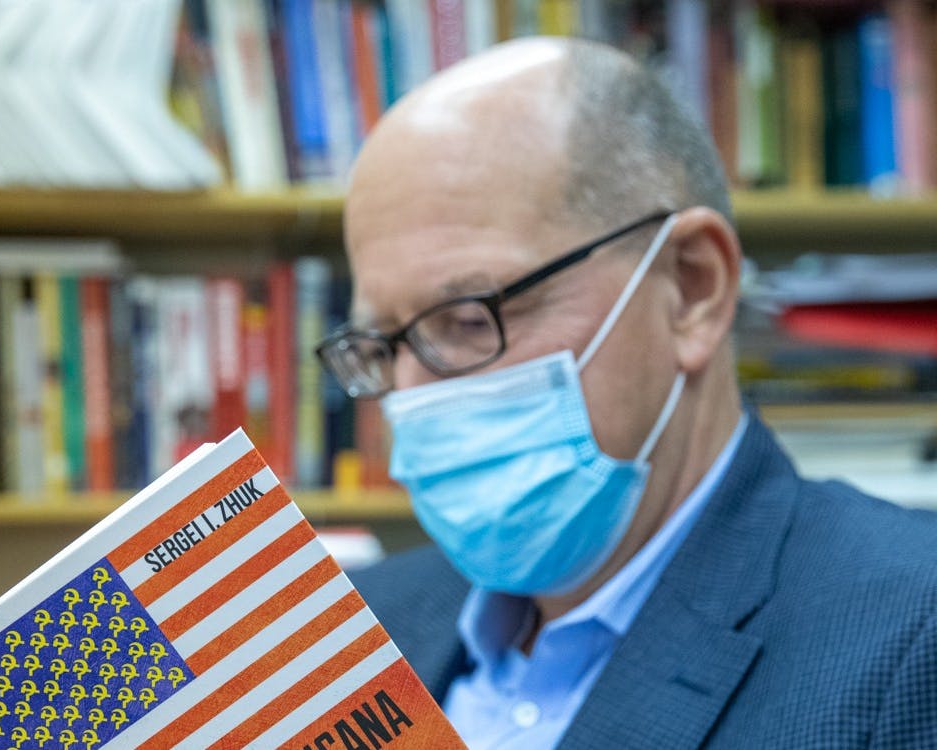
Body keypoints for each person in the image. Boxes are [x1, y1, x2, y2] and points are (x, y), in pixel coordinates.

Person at [316, 37, 937, 749]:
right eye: (380, 347)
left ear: (692, 289)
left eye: (466, 319)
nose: (411, 401)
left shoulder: (912, 637)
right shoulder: (349, 636)